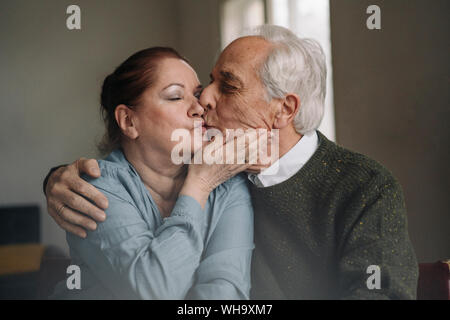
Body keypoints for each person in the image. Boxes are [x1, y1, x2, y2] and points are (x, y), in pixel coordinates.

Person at [44, 25, 418, 299]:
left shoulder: (363, 185)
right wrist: (55, 178)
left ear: (283, 109)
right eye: (206, 83)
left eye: (229, 85)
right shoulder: (216, 172)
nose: (203, 99)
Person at [48, 47, 258, 300]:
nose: (199, 108)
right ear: (128, 121)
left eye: (197, 94)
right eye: (175, 97)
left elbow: (226, 291)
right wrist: (198, 186)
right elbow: (154, 289)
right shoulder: (96, 186)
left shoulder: (227, 185)